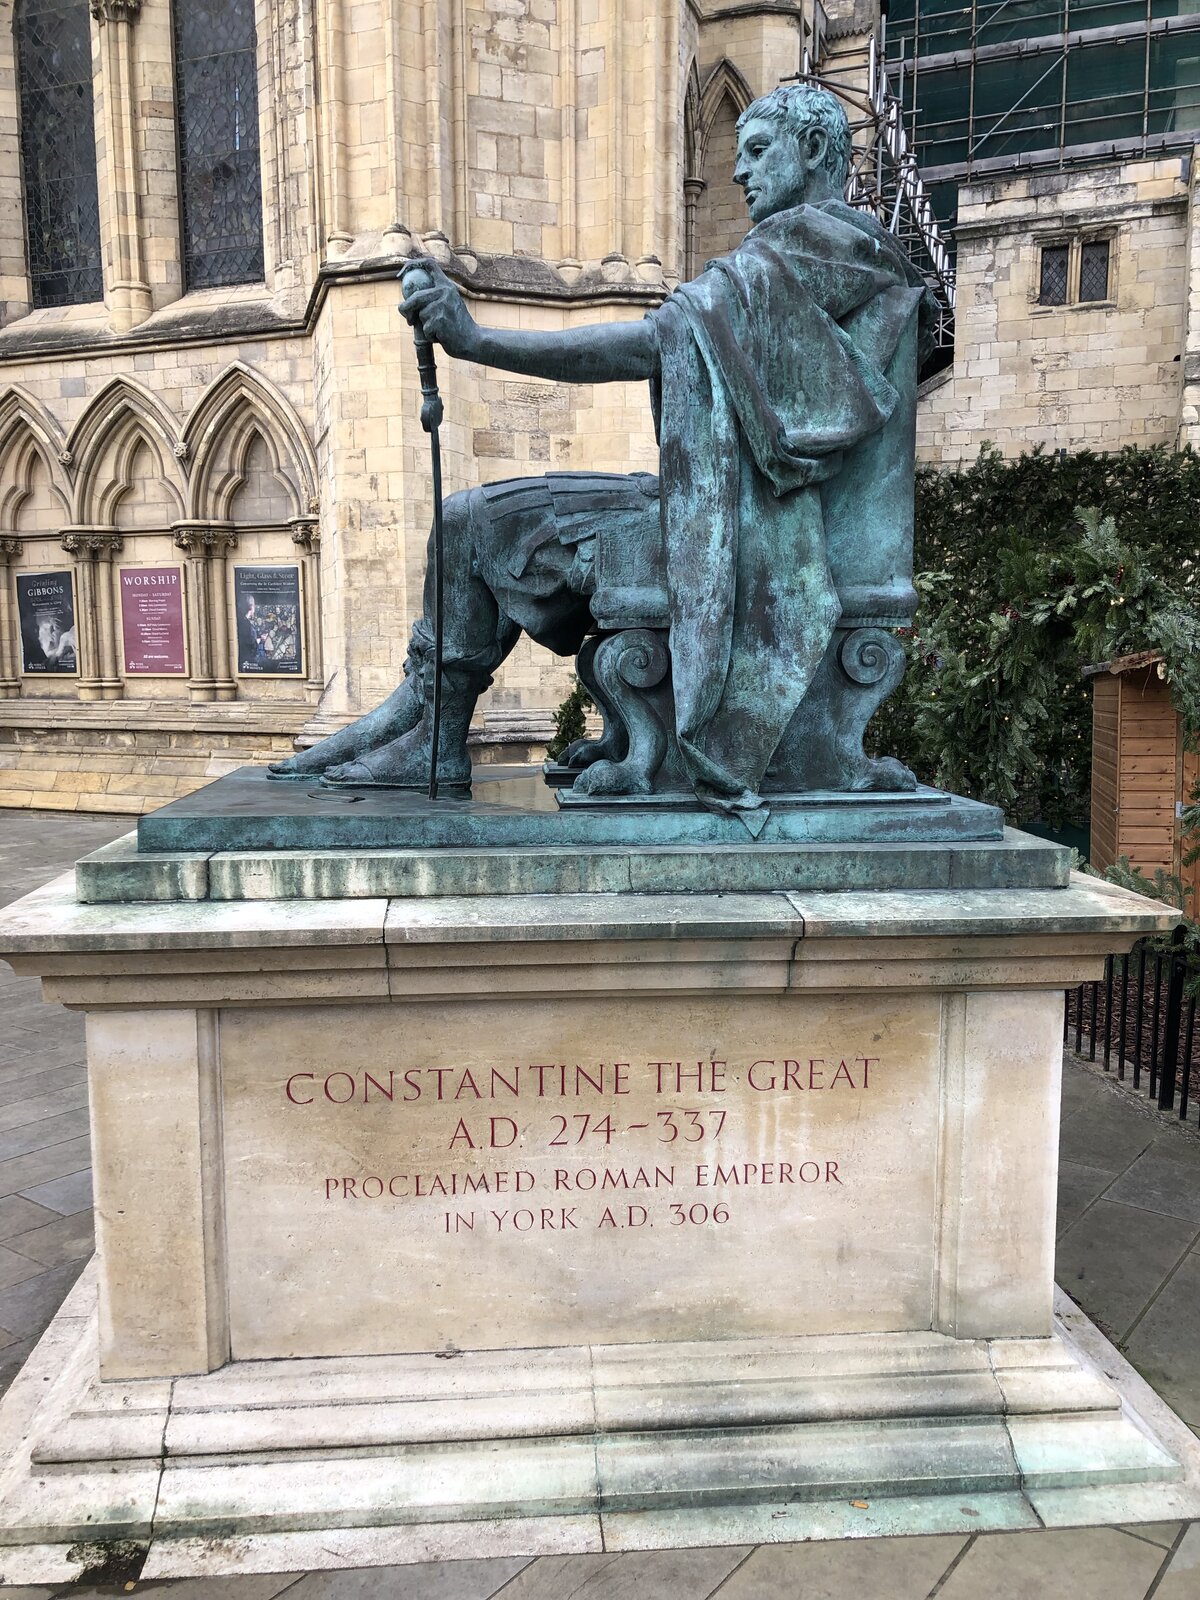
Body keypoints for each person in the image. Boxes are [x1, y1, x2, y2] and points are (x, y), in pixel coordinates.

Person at [270, 85, 932, 812]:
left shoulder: (815, 246)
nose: (738, 171)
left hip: (764, 531)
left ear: (811, 149)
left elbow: (654, 343)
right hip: (747, 510)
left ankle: (433, 735)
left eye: (756, 150)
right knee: (473, 519)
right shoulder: (831, 252)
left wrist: (478, 341)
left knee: (470, 521)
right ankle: (424, 724)